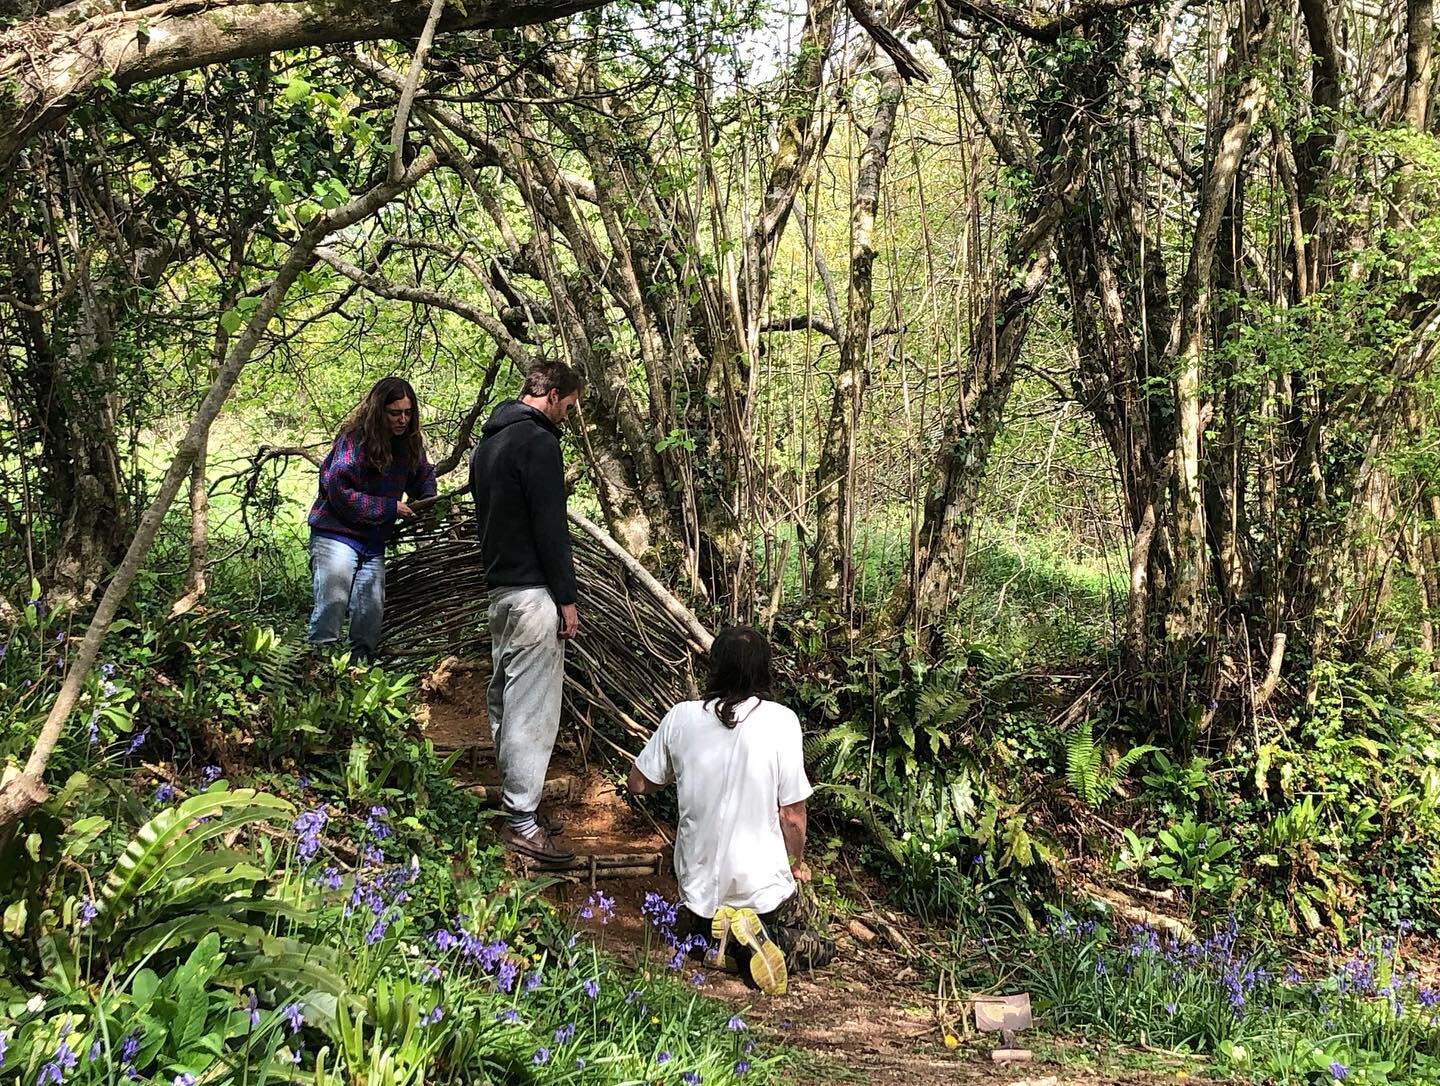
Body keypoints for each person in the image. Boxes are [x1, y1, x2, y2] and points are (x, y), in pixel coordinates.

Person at [628, 626, 835, 995]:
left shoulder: (681, 717)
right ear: (764, 670)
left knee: (692, 926)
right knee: (822, 941)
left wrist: (681, 773)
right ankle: (758, 941)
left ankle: (716, 945)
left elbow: (639, 783)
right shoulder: (781, 720)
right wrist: (796, 863)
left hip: (699, 897)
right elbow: (792, 814)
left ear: (715, 668)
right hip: (762, 895)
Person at [469, 361, 582, 864]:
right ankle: (521, 823)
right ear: (553, 395)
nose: (569, 417)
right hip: (534, 595)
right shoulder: (539, 443)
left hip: (500, 592)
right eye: (570, 406)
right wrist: (566, 597)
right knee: (532, 710)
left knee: (506, 701)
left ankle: (521, 809)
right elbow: (550, 528)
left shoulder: (487, 445)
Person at [306, 376, 436, 663]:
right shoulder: (355, 441)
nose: (402, 419)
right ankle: (315, 672)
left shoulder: (408, 444)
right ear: (379, 411)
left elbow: (422, 474)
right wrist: (390, 508)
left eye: (408, 412)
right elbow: (338, 490)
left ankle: (358, 673)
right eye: (395, 413)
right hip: (336, 535)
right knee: (332, 605)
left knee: (370, 612)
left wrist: (426, 499)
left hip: (373, 541)